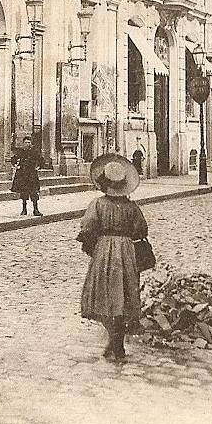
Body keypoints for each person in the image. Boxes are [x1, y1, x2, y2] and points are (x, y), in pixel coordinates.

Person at [78, 153, 148, 363]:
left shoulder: (97, 204)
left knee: (105, 295)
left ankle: (114, 341)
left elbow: (88, 228)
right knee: (124, 295)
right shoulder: (132, 207)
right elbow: (142, 229)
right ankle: (117, 343)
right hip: (126, 251)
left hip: (104, 250)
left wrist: (95, 246)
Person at [11, 135, 43, 217]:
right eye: (26, 142)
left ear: (31, 143)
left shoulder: (34, 152)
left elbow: (41, 160)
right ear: (23, 143)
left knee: (34, 193)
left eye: (29, 142)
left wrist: (38, 167)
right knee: (24, 193)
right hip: (22, 175)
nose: (27, 144)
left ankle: (36, 210)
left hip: (32, 175)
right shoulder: (20, 152)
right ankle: (24, 210)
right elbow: (13, 159)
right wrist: (16, 166)